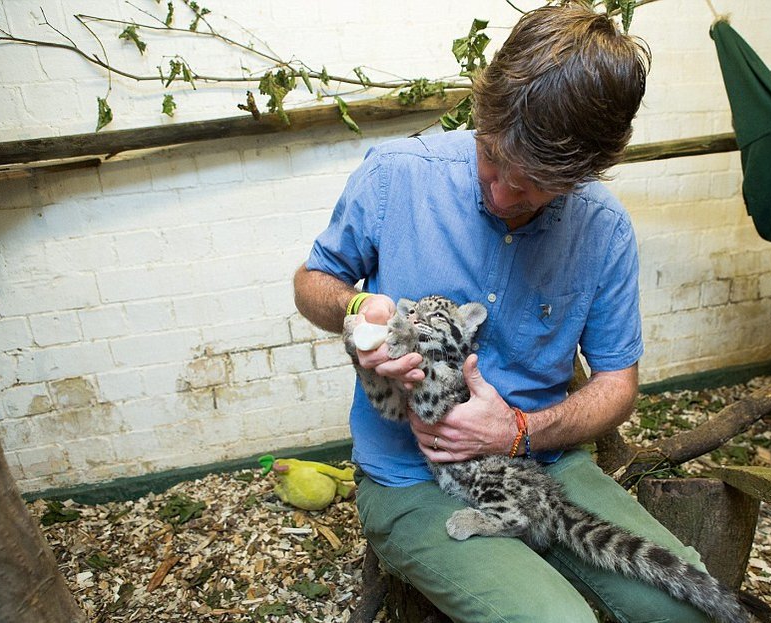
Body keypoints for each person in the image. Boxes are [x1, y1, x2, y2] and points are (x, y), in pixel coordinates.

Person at [294, 5, 712, 622]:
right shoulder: (396, 177)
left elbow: (617, 386)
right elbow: (312, 283)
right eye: (493, 157)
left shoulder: (604, 229)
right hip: (412, 475)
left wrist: (519, 430)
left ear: (581, 177)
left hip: (547, 465)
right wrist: (356, 309)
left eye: (533, 184)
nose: (500, 192)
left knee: (685, 610)